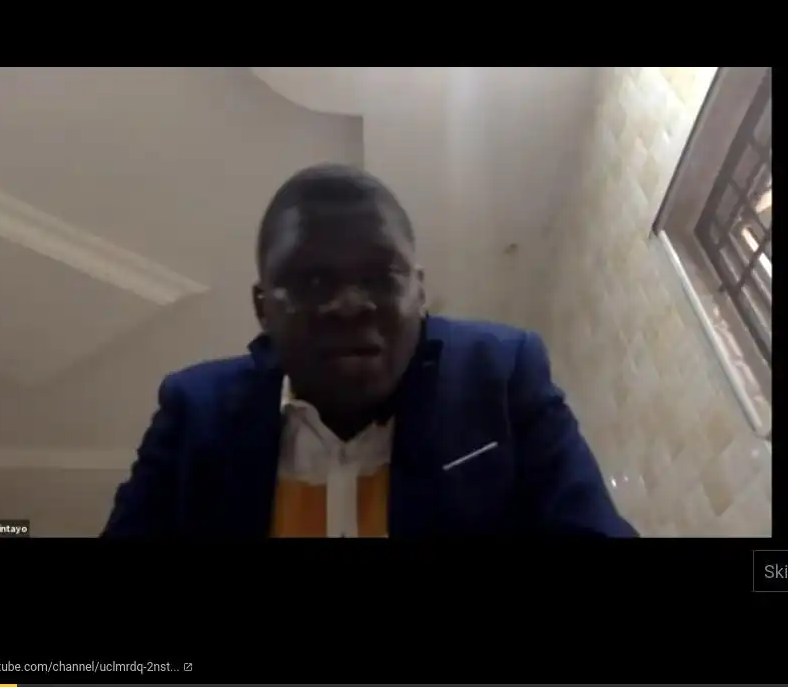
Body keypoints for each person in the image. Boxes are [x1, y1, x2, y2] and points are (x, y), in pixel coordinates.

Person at [103, 163, 636, 537]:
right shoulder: (194, 411)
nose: (350, 305)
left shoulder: (500, 374)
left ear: (419, 292)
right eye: (312, 281)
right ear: (262, 307)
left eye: (381, 276)